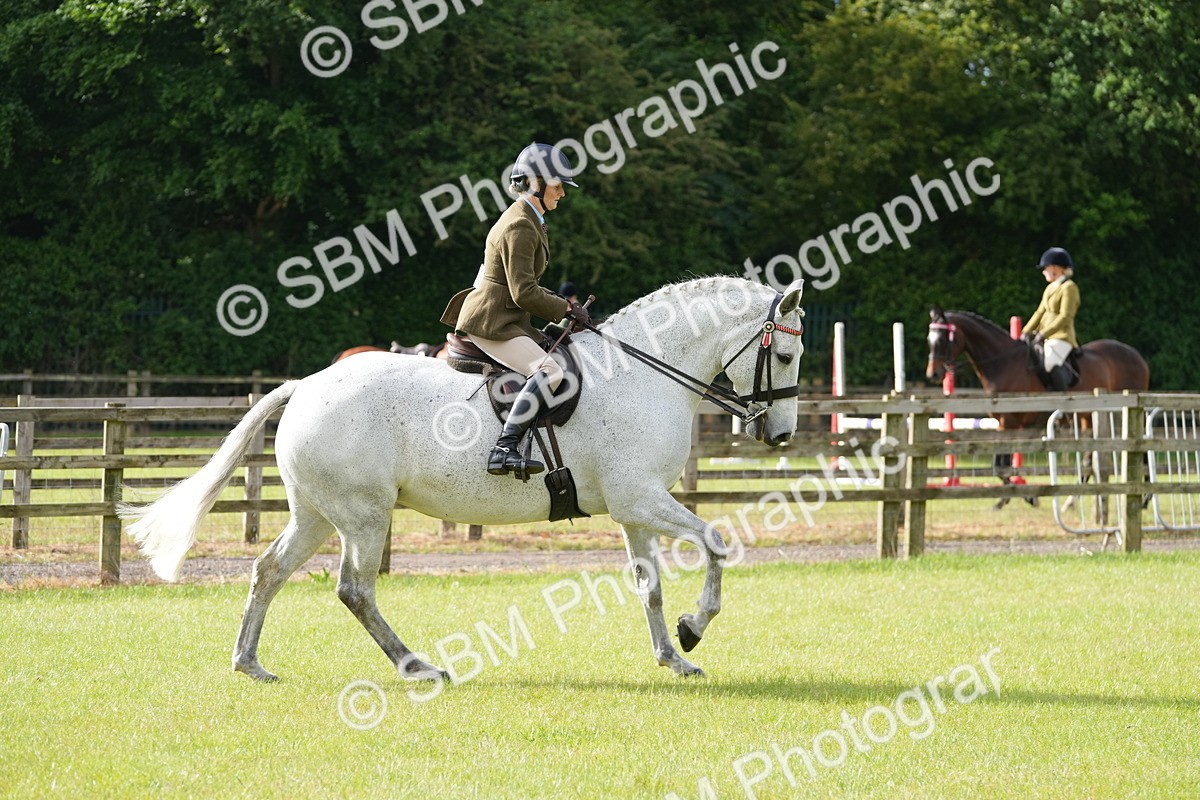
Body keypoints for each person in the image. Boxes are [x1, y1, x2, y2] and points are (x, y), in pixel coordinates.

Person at [440, 143, 591, 477]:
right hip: (492, 322)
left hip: (508, 318)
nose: (563, 193)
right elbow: (523, 292)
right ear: (536, 183)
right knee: (549, 371)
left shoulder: (527, 219)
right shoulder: (520, 225)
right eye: (558, 185)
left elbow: (524, 287)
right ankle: (503, 449)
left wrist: (565, 309)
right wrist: (565, 308)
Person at [1020, 246, 1080, 391]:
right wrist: (1024, 332)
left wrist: (1043, 333)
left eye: (1045, 268)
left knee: (1050, 363)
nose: (1043, 271)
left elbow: (1065, 316)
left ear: (1056, 268)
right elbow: (1039, 312)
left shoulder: (1069, 287)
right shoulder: (1050, 288)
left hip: (1061, 336)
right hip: (1044, 336)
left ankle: (1063, 402)